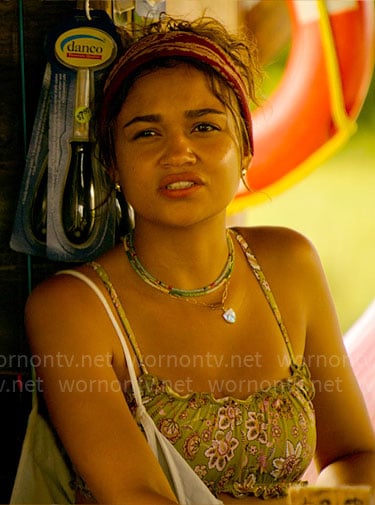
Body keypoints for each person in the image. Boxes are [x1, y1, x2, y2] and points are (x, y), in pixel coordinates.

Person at [24, 14, 375, 505]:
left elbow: (354, 454)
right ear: (112, 164)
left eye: (205, 126)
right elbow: (137, 495)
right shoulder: (72, 310)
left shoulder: (289, 265)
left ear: (246, 149)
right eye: (147, 134)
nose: (180, 152)